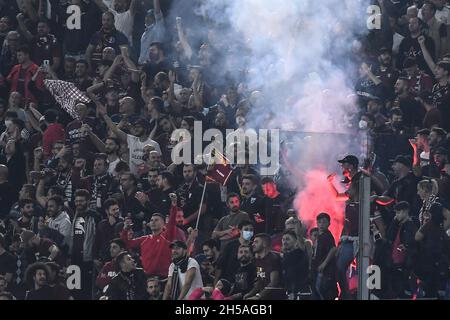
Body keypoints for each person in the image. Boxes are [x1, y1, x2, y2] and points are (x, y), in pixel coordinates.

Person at [120, 193, 178, 278]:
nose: (153, 222)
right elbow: (125, 244)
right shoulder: (144, 239)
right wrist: (125, 230)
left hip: (164, 278)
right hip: (147, 278)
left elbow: (172, 222)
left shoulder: (167, 236)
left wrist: (174, 205)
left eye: (156, 220)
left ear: (164, 224)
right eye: (151, 220)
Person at [67, 189, 99, 300]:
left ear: (88, 201)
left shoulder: (94, 216)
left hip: (87, 258)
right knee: (73, 288)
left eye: (81, 201)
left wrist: (94, 256)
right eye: (76, 201)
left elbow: (97, 238)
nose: (78, 203)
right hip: (74, 258)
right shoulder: (75, 215)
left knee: (86, 290)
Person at [386, 201, 418, 298]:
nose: (397, 215)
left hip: (403, 263)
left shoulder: (410, 226)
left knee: (403, 289)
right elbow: (389, 236)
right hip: (396, 261)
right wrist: (394, 222)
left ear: (405, 212)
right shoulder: (398, 225)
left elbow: (409, 244)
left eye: (398, 212)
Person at [245, 233, 283, 300]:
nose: (253, 244)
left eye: (256, 242)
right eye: (253, 242)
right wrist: (250, 294)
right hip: (264, 296)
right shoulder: (257, 261)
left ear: (264, 244)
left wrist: (258, 296)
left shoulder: (273, 258)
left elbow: (274, 282)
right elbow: (260, 280)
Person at [311, 213, 338, 300]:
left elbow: (333, 249)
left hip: (326, 271)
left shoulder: (327, 236)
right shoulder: (320, 236)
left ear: (329, 223)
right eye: (319, 222)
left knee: (322, 290)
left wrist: (324, 264)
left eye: (324, 222)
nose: (321, 224)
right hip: (319, 268)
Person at [281, 230, 310, 300]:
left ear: (295, 241)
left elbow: (295, 275)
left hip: (299, 292)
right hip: (290, 291)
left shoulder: (299, 255)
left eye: (287, 239)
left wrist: (293, 292)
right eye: (283, 239)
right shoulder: (286, 255)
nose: (285, 242)